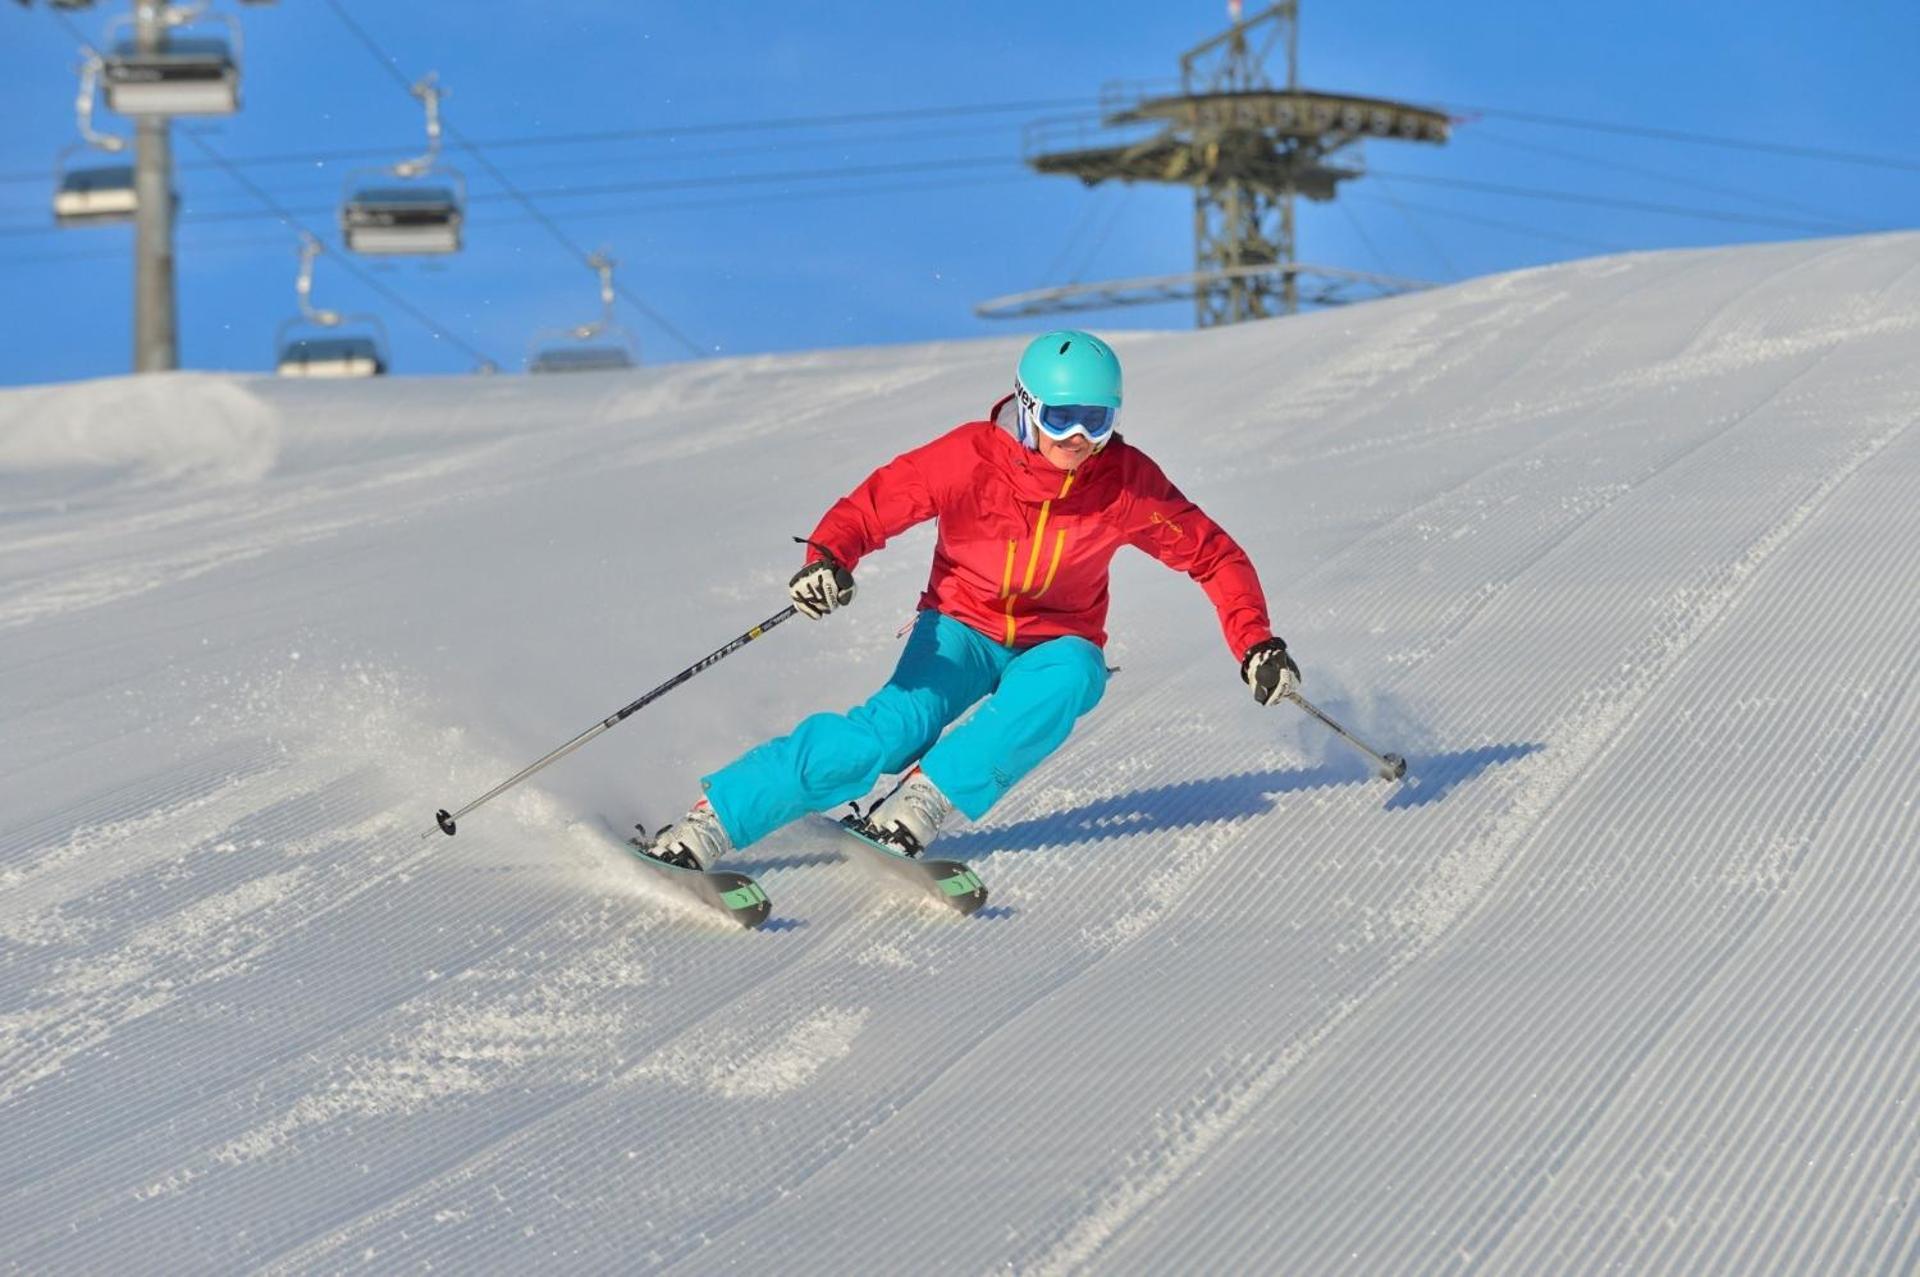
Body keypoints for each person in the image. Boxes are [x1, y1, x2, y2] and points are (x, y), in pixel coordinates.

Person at [644, 329, 1300, 869]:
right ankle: (714, 820)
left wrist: (1256, 642)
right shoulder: (970, 458)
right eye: (1062, 417)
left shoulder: (1126, 485)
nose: (1078, 438)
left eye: (1096, 421)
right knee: (895, 728)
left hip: (1054, 641)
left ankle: (923, 799)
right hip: (959, 627)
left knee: (1077, 673)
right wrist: (828, 557)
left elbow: (1213, 555)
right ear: (1027, 405)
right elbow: (874, 505)